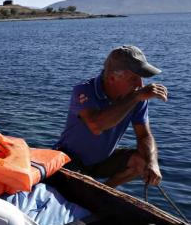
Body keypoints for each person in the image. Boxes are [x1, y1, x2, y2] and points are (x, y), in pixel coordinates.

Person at [54, 45, 168, 188]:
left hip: (103, 160)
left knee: (143, 161)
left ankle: (104, 191)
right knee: (81, 189)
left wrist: (152, 163)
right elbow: (96, 126)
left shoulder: (136, 97)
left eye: (141, 78)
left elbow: (144, 135)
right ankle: (94, 193)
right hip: (69, 158)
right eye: (134, 78)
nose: (140, 84)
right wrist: (135, 97)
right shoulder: (84, 90)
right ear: (112, 78)